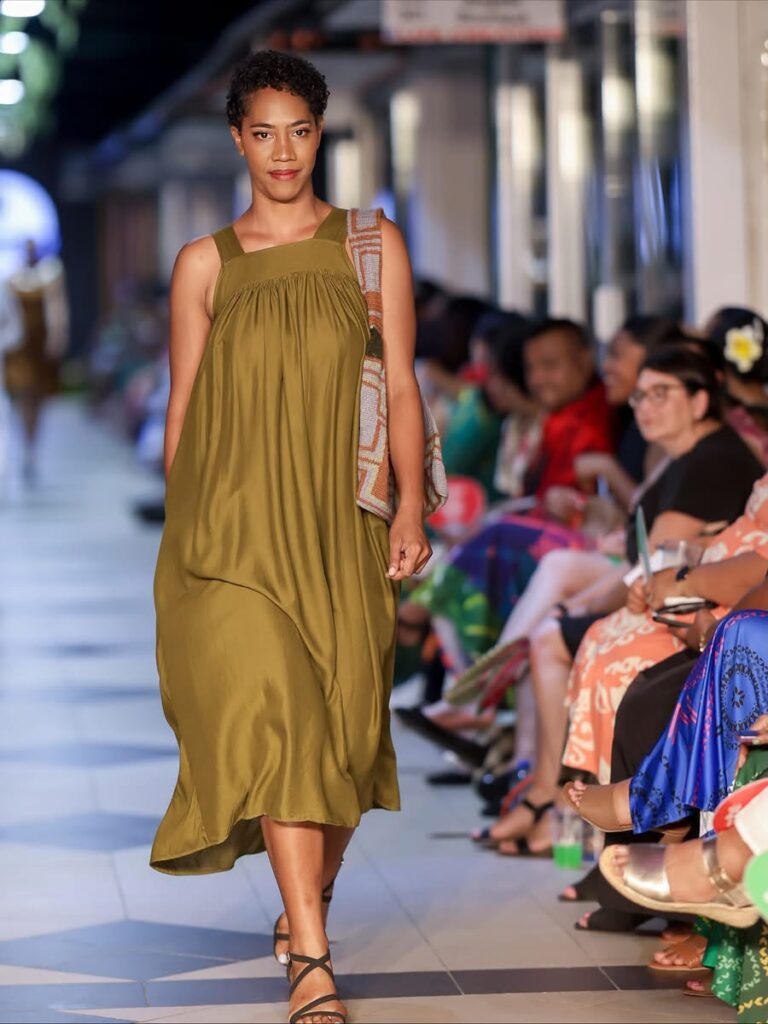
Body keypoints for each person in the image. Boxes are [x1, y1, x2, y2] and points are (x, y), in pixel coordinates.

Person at [149, 50, 433, 1024]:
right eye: (263, 133)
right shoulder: (204, 264)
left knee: (345, 736)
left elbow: (402, 386)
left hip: (343, 523)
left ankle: (309, 890)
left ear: (320, 134)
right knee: (280, 721)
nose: (282, 151)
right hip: (233, 536)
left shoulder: (370, 244)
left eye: (299, 131)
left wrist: (411, 506)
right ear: (238, 138)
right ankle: (311, 958)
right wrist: (185, 534)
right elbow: (182, 410)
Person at [4, 239, 68, 482]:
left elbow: (57, 310)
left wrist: (57, 337)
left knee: (37, 401)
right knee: (21, 397)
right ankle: (22, 448)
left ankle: (31, 448)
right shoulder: (13, 280)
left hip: (40, 349)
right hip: (18, 349)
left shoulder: (50, 277)